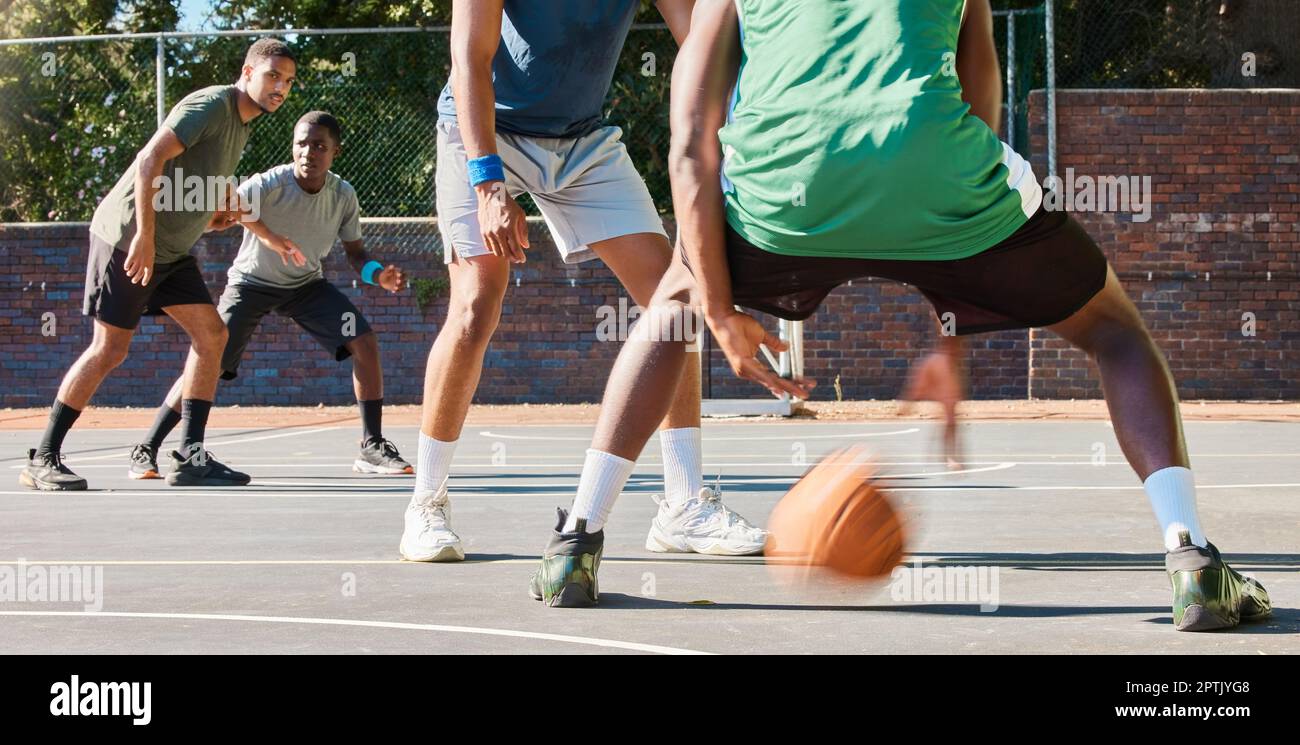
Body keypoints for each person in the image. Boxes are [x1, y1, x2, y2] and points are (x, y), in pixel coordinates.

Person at [528, 0, 1272, 633]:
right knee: (1113, 330)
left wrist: (714, 307)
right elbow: (981, 93)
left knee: (672, 309)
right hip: (941, 171)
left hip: (787, 182)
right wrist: (955, 311)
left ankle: (575, 543)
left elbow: (691, 135)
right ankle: (1191, 557)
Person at [398, 0, 769, 563]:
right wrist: (488, 185)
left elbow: (703, 37)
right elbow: (469, 59)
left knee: (675, 302)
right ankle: (426, 502)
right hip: (484, 133)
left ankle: (684, 506)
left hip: (583, 142)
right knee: (476, 305)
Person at [21, 38, 297, 490]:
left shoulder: (242, 127)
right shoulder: (212, 105)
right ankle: (43, 457)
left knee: (213, 336)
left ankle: (190, 457)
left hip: (170, 253)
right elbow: (149, 159)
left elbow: (202, 191)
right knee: (109, 349)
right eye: (272, 76)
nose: (280, 87)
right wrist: (143, 238)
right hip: (127, 239)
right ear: (247, 73)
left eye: (288, 81)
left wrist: (236, 227)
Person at [129, 111, 412, 480]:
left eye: (319, 146)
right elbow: (223, 216)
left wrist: (380, 276)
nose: (308, 152)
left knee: (363, 340)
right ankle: (147, 447)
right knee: (208, 360)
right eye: (301, 144)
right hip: (250, 284)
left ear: (335, 152)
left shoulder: (343, 195)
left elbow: (356, 255)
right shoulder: (267, 185)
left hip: (305, 286)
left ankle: (372, 446)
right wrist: (241, 224)